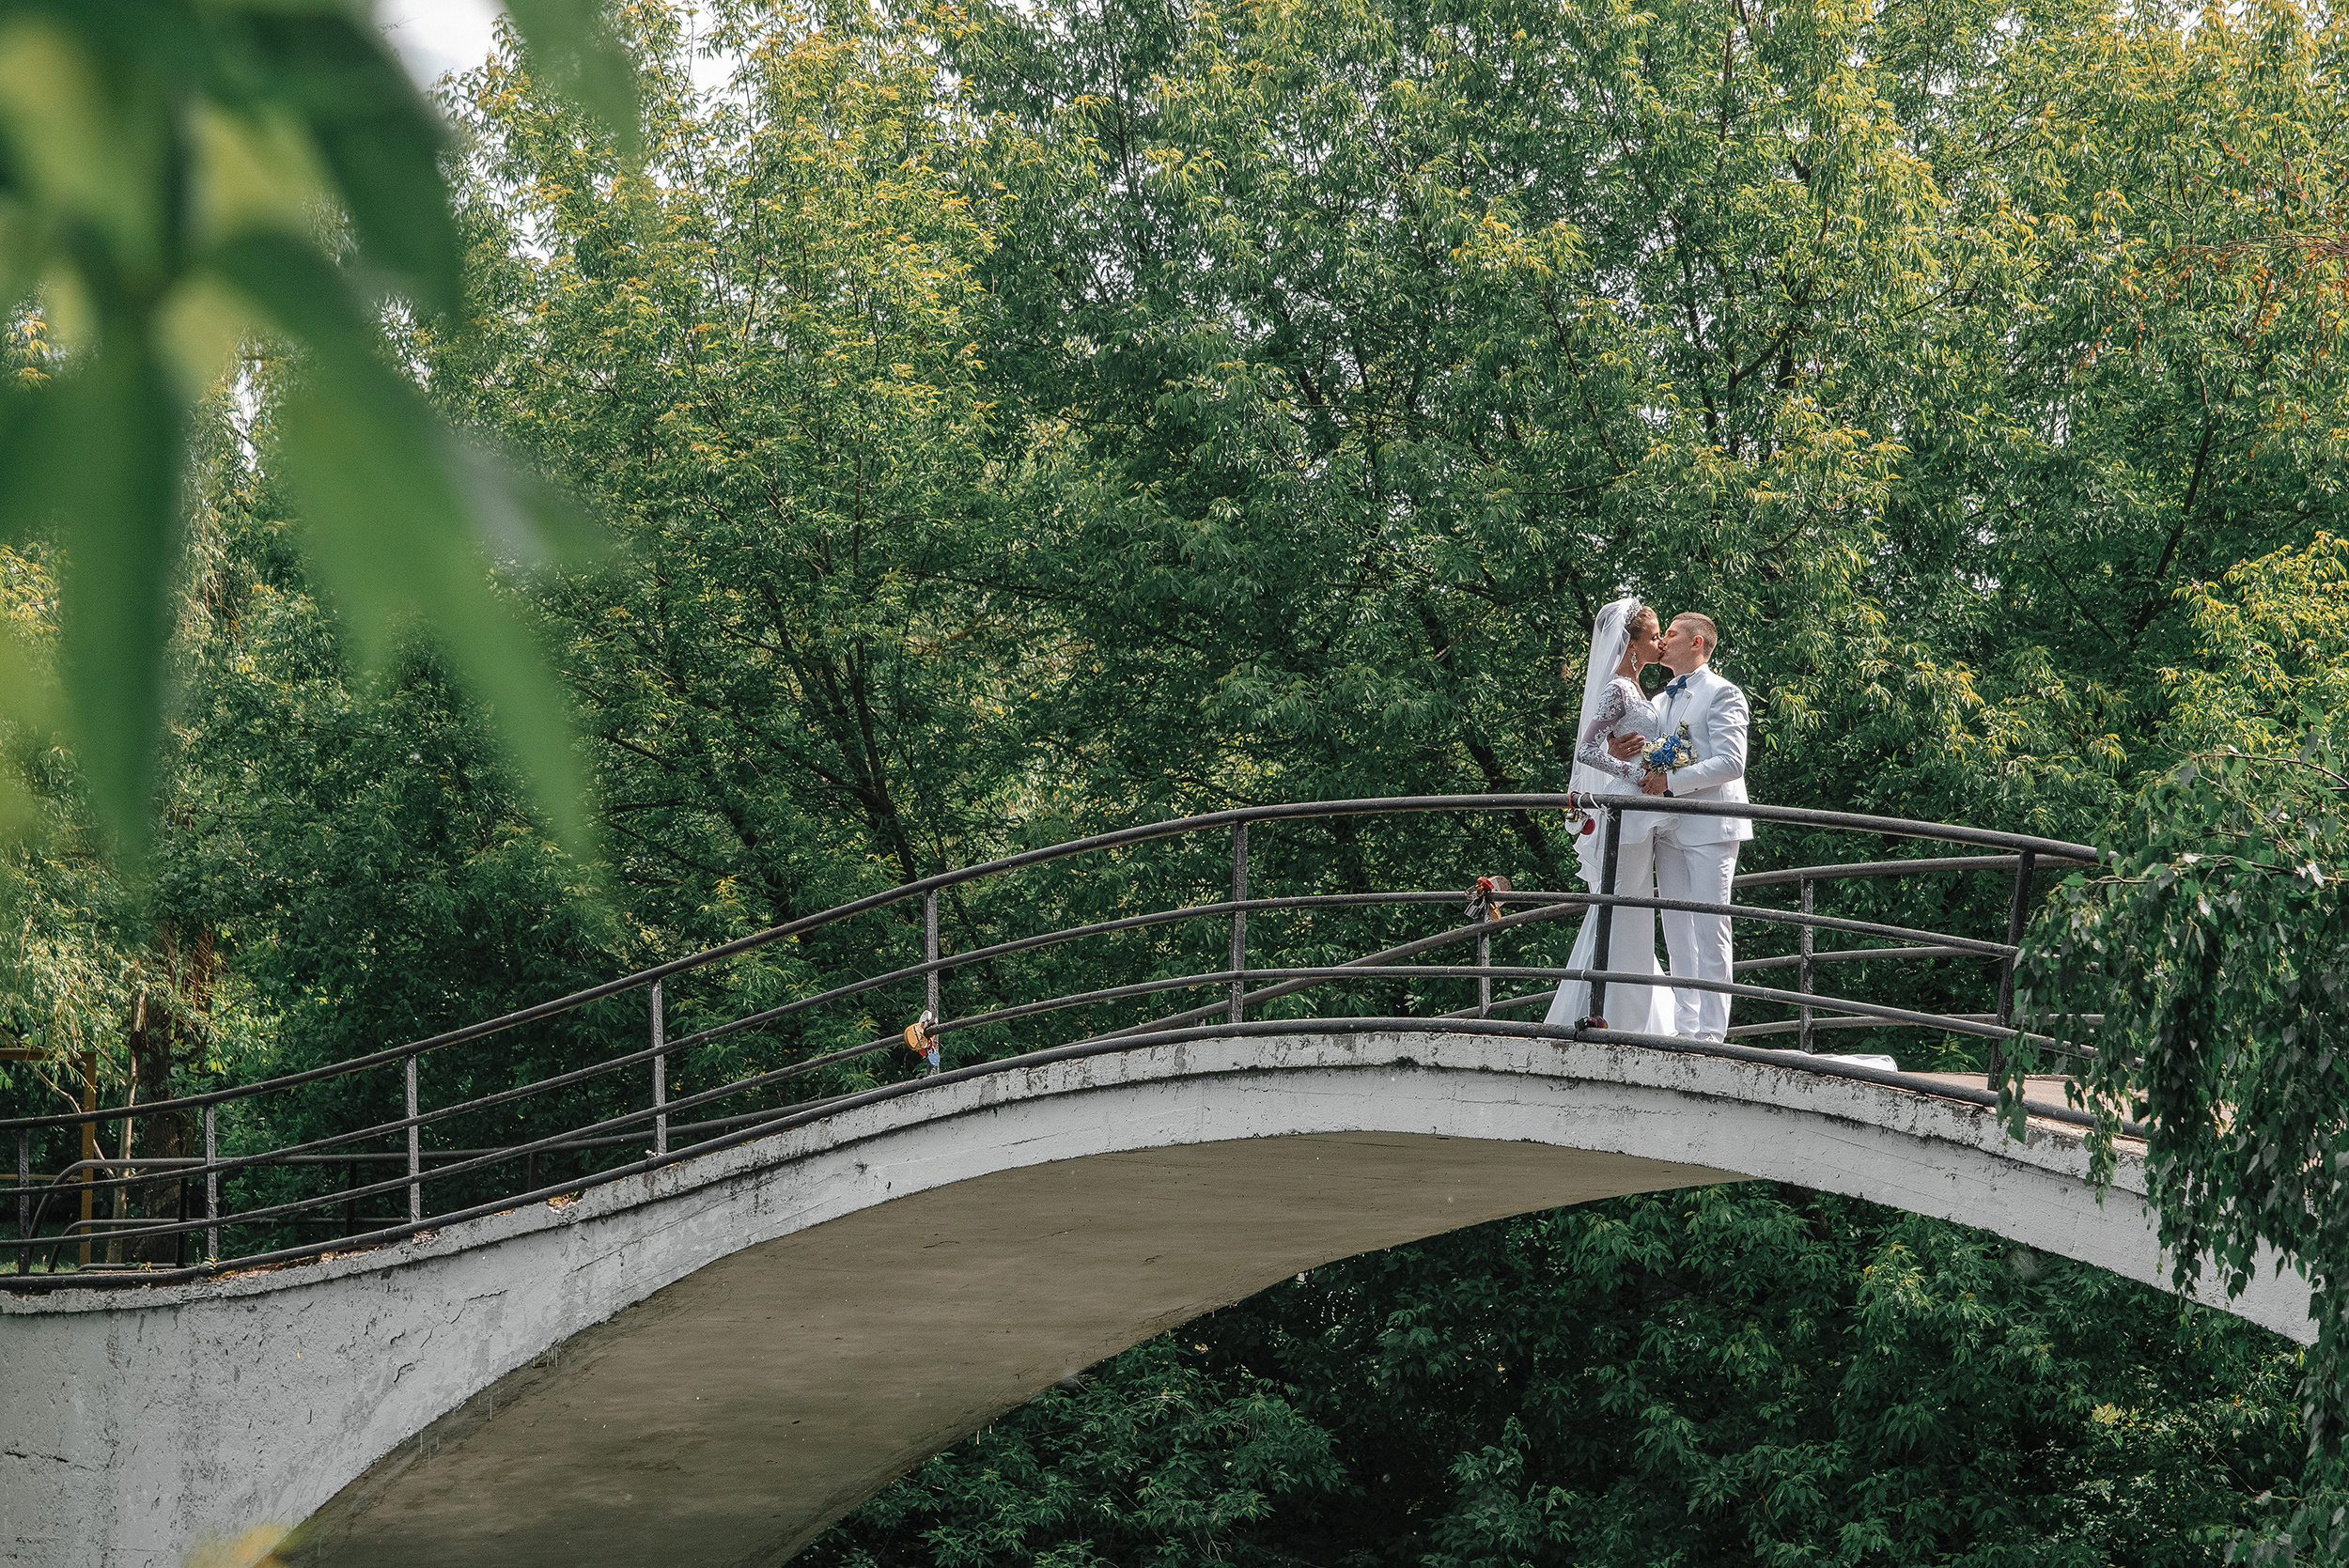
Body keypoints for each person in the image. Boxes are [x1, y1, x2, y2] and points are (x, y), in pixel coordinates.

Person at [1545, 597, 1674, 1035]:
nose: (1660, 643)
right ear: (1632, 643)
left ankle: (1631, 1009)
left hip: (1643, 810)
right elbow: (1585, 749)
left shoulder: (1638, 688)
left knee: (1635, 909)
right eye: (1654, 636)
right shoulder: (1617, 688)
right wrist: (1632, 773)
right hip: (1627, 807)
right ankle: (1607, 1009)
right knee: (1622, 906)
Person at [1638, 612, 1750, 1040]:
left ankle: (1711, 1033)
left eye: (1670, 633)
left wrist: (1671, 782)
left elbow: (1730, 762)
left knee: (1710, 928)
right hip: (1667, 828)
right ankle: (1685, 1027)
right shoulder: (1659, 701)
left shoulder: (1723, 693)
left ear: (1697, 642)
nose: (1662, 640)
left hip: (1710, 825)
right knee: (1676, 930)